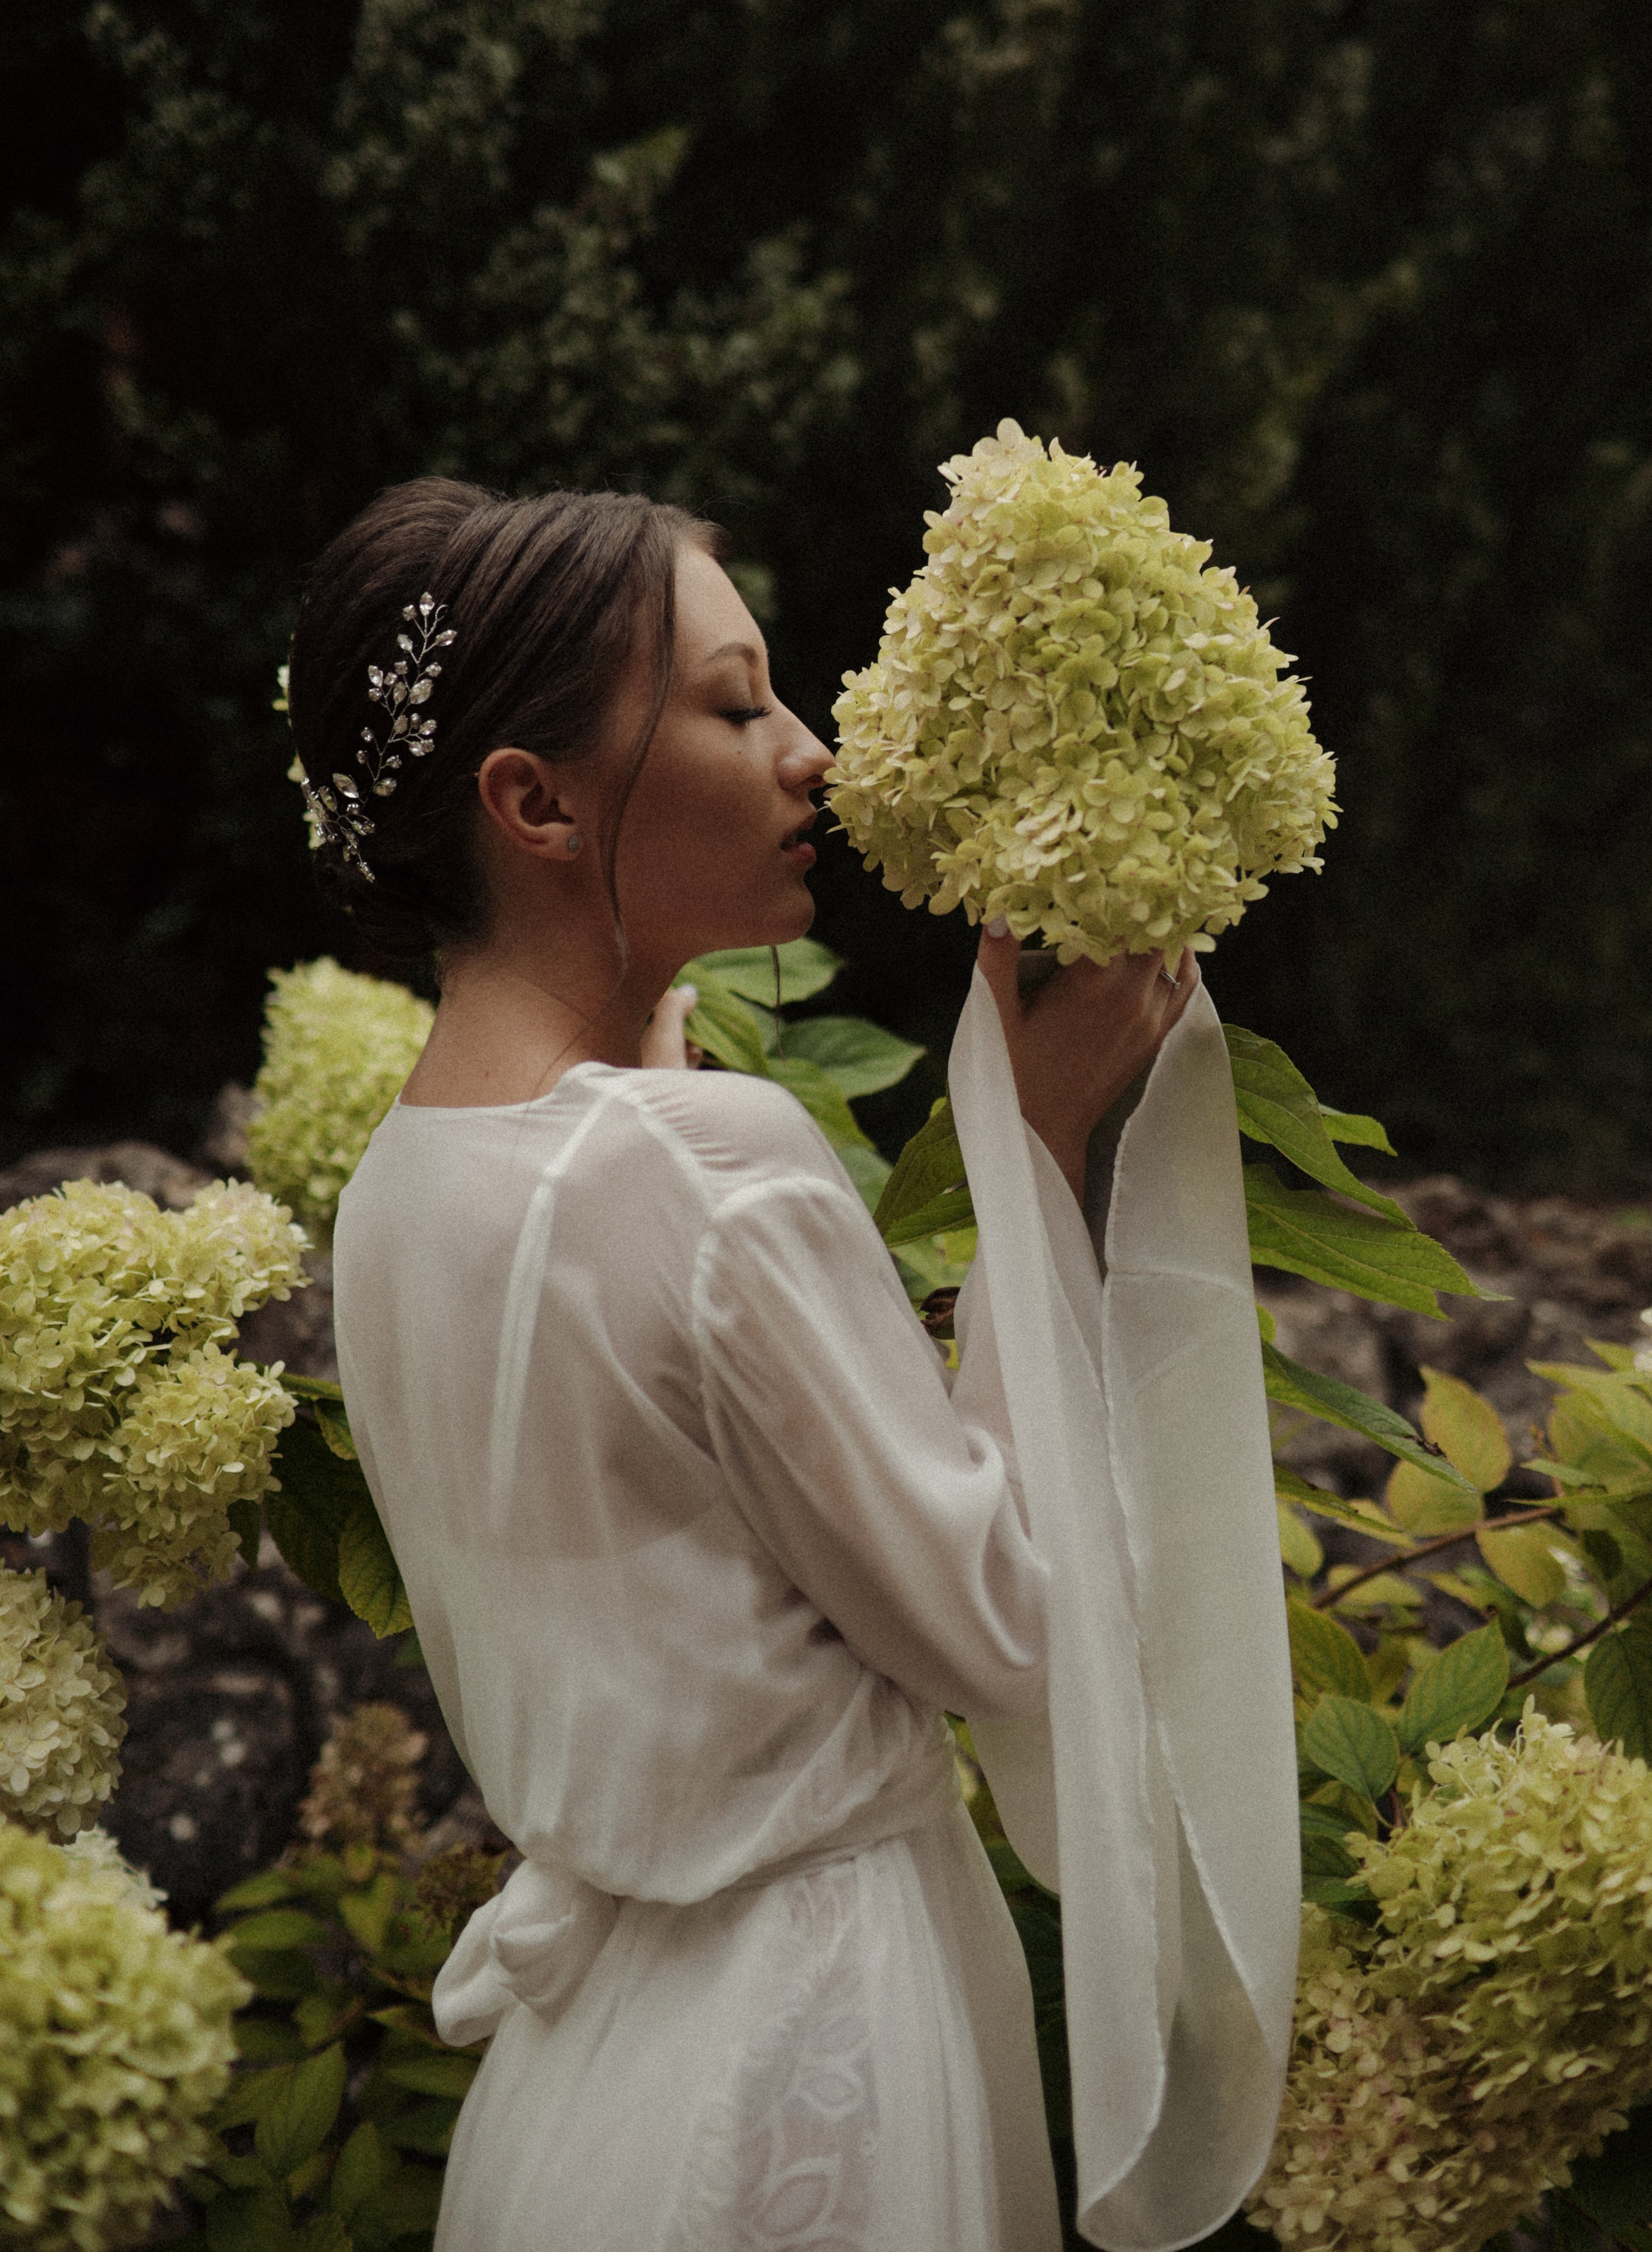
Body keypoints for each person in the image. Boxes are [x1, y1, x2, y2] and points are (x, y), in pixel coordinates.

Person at [285, 479, 1297, 2252]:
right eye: (738, 702)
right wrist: (1037, 1141)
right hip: (813, 2043)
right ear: (531, 802)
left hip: (587, 2076)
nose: (813, 754)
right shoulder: (702, 1164)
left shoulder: (400, 1187)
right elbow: (999, 1623)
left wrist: (650, 1020)